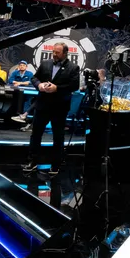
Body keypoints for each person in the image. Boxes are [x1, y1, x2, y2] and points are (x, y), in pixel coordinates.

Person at [24, 42, 80, 175]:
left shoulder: (73, 67)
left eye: (57, 52)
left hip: (59, 107)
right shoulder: (45, 63)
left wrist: (57, 88)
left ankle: (55, 165)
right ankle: (32, 161)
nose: (54, 54)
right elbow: (34, 78)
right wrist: (39, 85)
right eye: (53, 51)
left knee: (58, 137)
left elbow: (74, 86)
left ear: (65, 53)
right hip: (42, 105)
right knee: (36, 134)